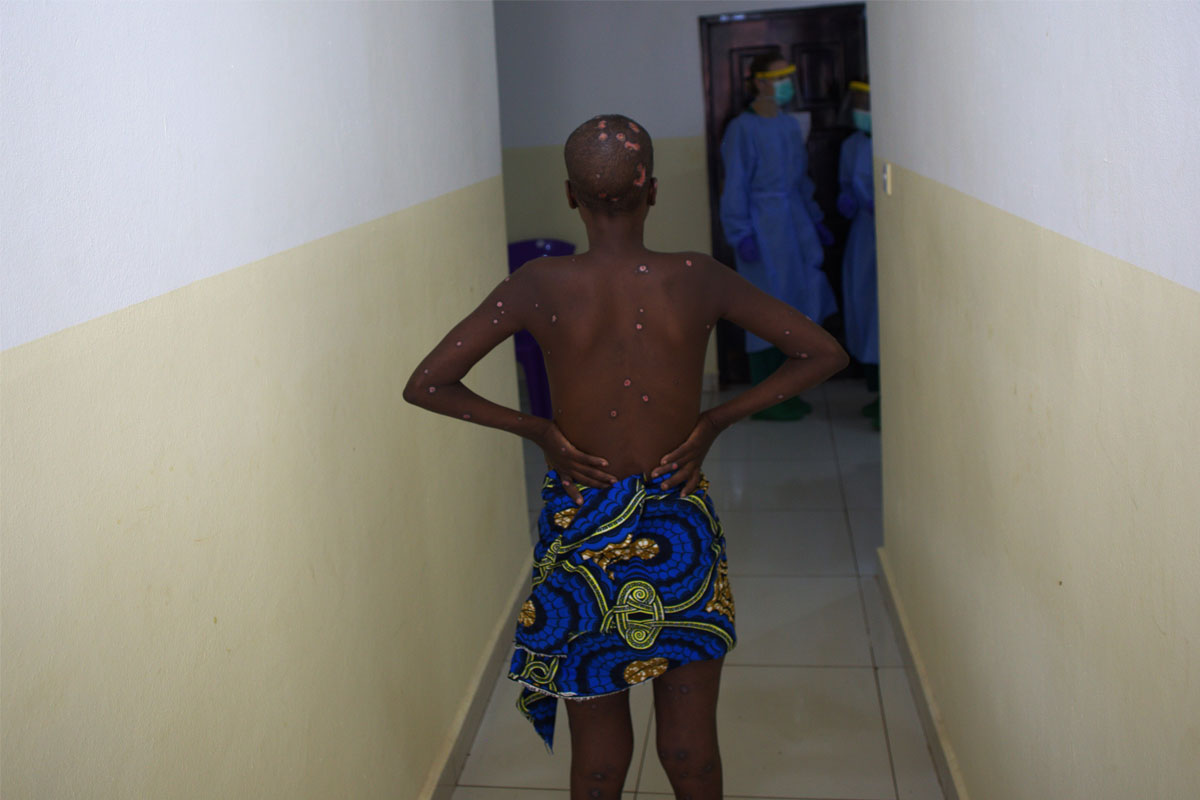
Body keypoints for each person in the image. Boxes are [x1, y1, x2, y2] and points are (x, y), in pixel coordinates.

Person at [404, 114, 848, 800]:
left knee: (600, 758)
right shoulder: (699, 278)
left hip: (583, 532)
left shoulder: (536, 285)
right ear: (655, 192)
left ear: (570, 196)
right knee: (692, 749)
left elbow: (426, 383)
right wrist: (714, 421)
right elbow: (823, 353)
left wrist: (541, 432)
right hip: (680, 526)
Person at [720, 51, 840, 421]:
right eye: (779, 76)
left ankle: (789, 392)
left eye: (788, 76)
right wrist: (740, 232)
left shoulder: (789, 126)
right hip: (761, 227)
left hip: (795, 225)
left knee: (797, 307)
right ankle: (765, 401)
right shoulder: (743, 128)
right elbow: (736, 184)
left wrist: (815, 217)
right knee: (763, 312)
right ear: (759, 82)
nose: (786, 83)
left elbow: (800, 180)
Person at [836, 81, 880, 429]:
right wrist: (848, 199)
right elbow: (847, 186)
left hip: (888, 234)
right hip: (863, 234)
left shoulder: (892, 142)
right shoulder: (851, 146)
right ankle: (875, 388)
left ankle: (889, 395)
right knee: (863, 307)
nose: (861, 112)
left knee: (885, 314)